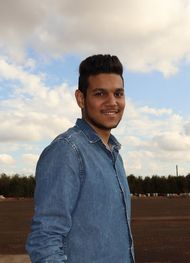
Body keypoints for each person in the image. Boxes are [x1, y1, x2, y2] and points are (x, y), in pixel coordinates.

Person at [26, 54, 135, 263]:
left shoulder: (114, 154)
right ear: (81, 98)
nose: (112, 102)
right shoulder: (67, 152)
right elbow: (44, 241)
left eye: (118, 93)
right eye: (100, 93)